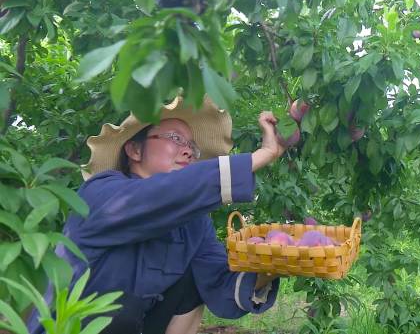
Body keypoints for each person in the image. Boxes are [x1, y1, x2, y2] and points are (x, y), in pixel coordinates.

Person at [28, 96, 286, 334]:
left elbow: (219, 284)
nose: (187, 151)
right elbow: (160, 195)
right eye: (175, 138)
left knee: (193, 284)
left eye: (191, 147)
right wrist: (260, 156)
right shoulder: (101, 192)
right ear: (135, 150)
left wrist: (268, 268)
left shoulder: (194, 225)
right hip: (69, 327)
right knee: (119, 308)